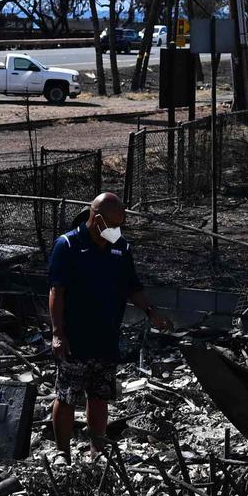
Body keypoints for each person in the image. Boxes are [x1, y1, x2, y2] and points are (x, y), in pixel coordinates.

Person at [47, 191, 170, 454]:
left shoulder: (120, 248)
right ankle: (62, 452)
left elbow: (132, 287)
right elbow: (57, 291)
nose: (116, 230)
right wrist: (58, 333)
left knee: (100, 396)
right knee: (67, 396)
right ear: (97, 218)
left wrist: (151, 312)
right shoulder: (67, 246)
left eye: (119, 225)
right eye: (112, 225)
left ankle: (97, 450)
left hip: (106, 336)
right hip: (75, 337)